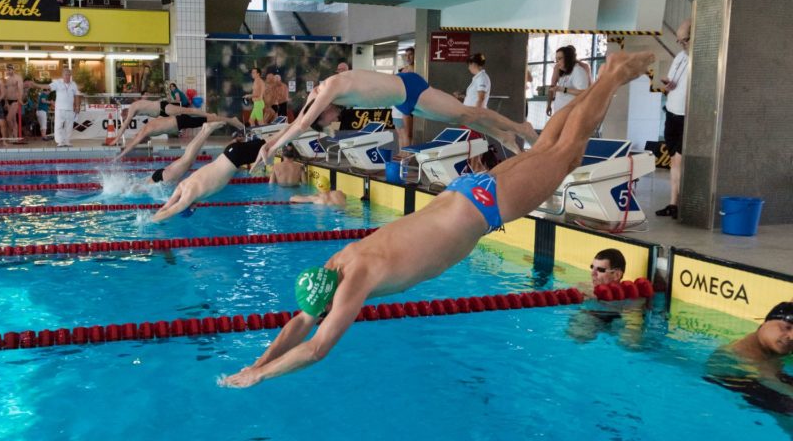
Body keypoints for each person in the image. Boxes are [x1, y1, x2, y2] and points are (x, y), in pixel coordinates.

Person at [219, 50, 655, 387]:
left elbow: (316, 348)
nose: (319, 316)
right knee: (549, 151)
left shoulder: (354, 281)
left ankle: (612, 75)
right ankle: (605, 78)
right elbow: (301, 321)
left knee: (566, 155)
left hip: (483, 207)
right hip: (464, 193)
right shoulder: (340, 261)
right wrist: (256, 362)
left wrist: (262, 376)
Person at [253, 68, 539, 170]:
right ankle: (502, 135)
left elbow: (303, 124)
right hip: (403, 100)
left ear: (323, 109)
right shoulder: (318, 95)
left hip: (410, 88)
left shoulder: (331, 88)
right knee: (459, 118)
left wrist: (275, 148)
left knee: (467, 112)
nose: (334, 118)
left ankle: (519, 127)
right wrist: (267, 145)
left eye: (327, 119)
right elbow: (297, 123)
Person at [151, 133, 272, 223]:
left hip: (236, 157)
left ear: (188, 207)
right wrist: (155, 216)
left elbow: (169, 211)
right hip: (229, 151)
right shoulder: (181, 186)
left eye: (193, 209)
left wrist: (151, 221)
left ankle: (285, 130)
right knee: (269, 140)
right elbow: (166, 207)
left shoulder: (188, 197)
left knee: (271, 144)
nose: (195, 207)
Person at [705, 302, 793, 418]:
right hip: (731, 380)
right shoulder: (749, 352)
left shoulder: (770, 344)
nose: (791, 337)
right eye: (787, 327)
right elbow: (768, 378)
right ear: (766, 322)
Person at [656, 19, 691, 219]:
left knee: (678, 161)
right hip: (672, 113)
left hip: (687, 117)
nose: (682, 44)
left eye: (685, 40)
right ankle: (673, 203)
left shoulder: (702, 59)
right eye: (679, 41)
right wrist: (668, 85)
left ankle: (676, 204)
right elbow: (673, 83)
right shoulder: (679, 57)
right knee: (673, 161)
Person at [115, 112, 245, 160]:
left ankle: (231, 120)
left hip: (180, 121)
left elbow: (132, 144)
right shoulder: (148, 128)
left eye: (142, 141)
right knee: (207, 119)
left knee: (209, 119)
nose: (145, 141)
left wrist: (120, 156)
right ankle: (226, 119)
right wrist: (177, 132)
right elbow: (165, 125)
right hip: (179, 122)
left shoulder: (144, 131)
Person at [149, 121, 225, 185]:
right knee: (190, 160)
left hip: (164, 179)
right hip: (161, 177)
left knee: (187, 158)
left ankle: (207, 129)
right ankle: (204, 129)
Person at [29, 68, 81, 147]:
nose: (67, 76)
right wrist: (35, 85)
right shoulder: (57, 82)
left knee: (69, 126)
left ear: (70, 75)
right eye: (66, 75)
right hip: (59, 109)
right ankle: (60, 141)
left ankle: (67, 141)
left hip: (70, 109)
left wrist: (77, 106)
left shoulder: (73, 84)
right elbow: (47, 86)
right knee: (58, 126)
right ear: (62, 75)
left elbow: (76, 95)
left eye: (69, 75)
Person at [118, 96, 209, 134]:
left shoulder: (133, 108)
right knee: (187, 119)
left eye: (126, 117)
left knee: (188, 111)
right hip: (162, 112)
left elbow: (125, 124)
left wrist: (117, 137)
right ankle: (207, 118)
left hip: (163, 108)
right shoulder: (135, 110)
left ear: (127, 113)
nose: (129, 119)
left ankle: (208, 115)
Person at [546, 45, 592, 118]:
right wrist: (549, 104)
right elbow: (552, 86)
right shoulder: (564, 72)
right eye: (556, 59)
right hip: (560, 114)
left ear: (569, 58)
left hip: (572, 115)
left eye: (559, 59)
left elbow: (584, 92)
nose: (557, 62)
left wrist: (562, 89)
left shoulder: (578, 70)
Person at [4, 64, 25, 141]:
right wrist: (6, 102)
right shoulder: (7, 79)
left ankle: (13, 133)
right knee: (13, 120)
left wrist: (20, 99)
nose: (9, 71)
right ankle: (15, 136)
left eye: (10, 70)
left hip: (15, 101)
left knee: (8, 119)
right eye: (7, 70)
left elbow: (20, 89)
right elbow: (6, 91)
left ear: (13, 70)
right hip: (8, 101)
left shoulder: (18, 78)